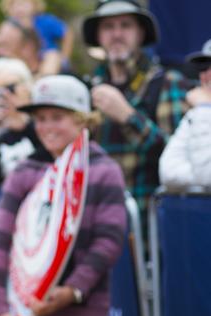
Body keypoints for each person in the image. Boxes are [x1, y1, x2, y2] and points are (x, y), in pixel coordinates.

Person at [0, 75, 126, 316]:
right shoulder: (25, 171)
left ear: (83, 121)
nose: (47, 127)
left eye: (57, 117)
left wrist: (73, 290)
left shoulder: (103, 171)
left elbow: (109, 239)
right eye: (40, 118)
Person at [81, 0, 193, 227]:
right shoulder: (85, 90)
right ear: (98, 36)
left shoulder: (167, 84)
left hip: (150, 226)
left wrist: (128, 117)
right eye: (108, 27)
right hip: (94, 225)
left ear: (141, 33)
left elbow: (180, 161)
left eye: (125, 25)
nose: (117, 34)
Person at [0, 57, 50, 189]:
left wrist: (25, 119)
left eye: (10, 88)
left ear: (27, 87)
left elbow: (52, 157)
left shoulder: (45, 121)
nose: (5, 95)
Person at [159, 39, 211, 188]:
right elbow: (168, 173)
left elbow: (206, 175)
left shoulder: (201, 111)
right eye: (204, 68)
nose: (206, 76)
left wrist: (204, 108)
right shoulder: (197, 114)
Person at [0, 0, 74, 74]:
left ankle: (45, 79)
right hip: (23, 60)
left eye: (24, 4)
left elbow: (67, 33)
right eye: (15, 5)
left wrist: (64, 57)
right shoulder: (9, 26)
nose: (20, 8)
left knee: (52, 55)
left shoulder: (45, 21)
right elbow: (5, 45)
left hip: (45, 56)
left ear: (34, 5)